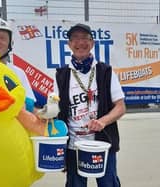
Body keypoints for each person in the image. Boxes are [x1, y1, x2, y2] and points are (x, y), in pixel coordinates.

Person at [54, 23, 126, 187]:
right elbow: (55, 109)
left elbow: (121, 107)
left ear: (92, 43)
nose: (80, 43)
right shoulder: (61, 75)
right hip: (74, 145)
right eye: (75, 39)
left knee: (108, 183)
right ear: (69, 45)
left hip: (103, 143)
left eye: (85, 38)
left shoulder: (105, 71)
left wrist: (103, 121)